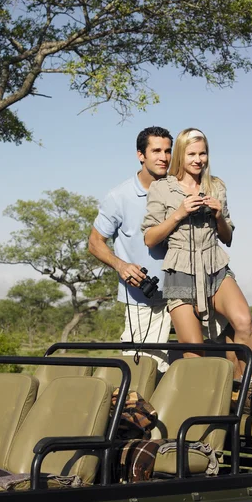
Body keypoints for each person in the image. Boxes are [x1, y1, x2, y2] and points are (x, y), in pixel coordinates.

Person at [141, 128, 252, 420]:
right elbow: (150, 238)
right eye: (192, 154)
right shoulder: (162, 188)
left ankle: (250, 393)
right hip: (179, 272)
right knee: (195, 353)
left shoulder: (217, 186)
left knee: (244, 321)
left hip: (215, 267)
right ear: (181, 154)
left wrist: (217, 215)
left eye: (202, 153)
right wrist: (178, 214)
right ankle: (203, 415)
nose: (198, 159)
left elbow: (227, 237)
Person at [88, 127, 173, 373]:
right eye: (156, 150)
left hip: (183, 294)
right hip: (142, 300)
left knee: (201, 360)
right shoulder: (119, 196)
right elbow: (95, 242)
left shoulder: (178, 188)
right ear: (140, 155)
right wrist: (122, 266)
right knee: (141, 371)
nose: (163, 157)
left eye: (168, 151)